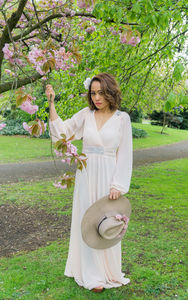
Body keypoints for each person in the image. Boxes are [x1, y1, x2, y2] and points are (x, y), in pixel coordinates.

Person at [46, 73, 133, 292]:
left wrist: (118, 185)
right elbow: (63, 132)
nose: (96, 98)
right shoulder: (86, 115)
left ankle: (108, 271)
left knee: (106, 222)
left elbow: (125, 154)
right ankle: (91, 274)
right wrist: (51, 103)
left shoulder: (123, 119)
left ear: (110, 92)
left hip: (108, 176)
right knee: (87, 221)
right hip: (87, 174)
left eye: (101, 92)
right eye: (93, 93)